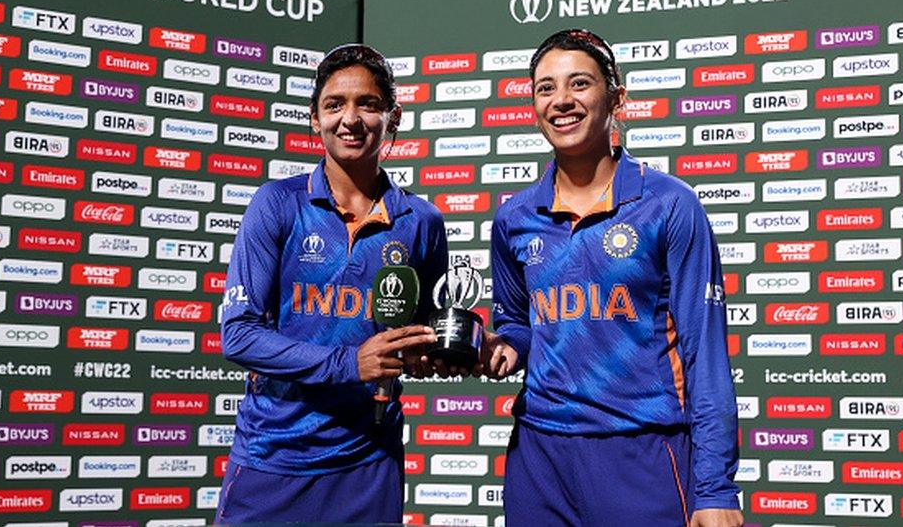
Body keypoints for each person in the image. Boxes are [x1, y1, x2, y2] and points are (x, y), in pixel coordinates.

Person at [482, 29, 743, 527]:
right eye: (545, 88)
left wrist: (715, 488)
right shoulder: (514, 217)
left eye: (579, 84)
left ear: (616, 97)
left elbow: (704, 356)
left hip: (641, 453)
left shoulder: (669, 205)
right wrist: (504, 347)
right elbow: (517, 322)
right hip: (538, 459)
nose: (561, 101)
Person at [215, 44, 448, 524]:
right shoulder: (277, 204)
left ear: (393, 118)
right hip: (274, 455)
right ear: (313, 119)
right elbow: (239, 334)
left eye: (368, 103)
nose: (351, 119)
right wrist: (350, 362)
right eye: (335, 104)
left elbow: (416, 333)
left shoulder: (421, 222)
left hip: (368, 459)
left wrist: (435, 352)